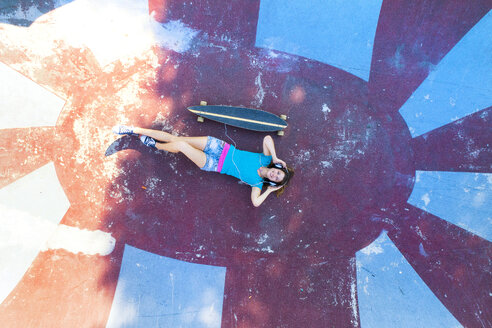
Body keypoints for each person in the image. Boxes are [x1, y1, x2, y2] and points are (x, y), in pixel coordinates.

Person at [112, 125, 294, 207]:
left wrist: (270, 190)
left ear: (273, 182)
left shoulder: (257, 184)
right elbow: (268, 138)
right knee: (178, 139)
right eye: (278, 174)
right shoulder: (266, 159)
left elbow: (255, 202)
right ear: (278, 168)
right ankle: (134, 130)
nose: (274, 176)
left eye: (276, 179)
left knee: (182, 146)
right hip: (220, 147)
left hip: (214, 164)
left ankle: (156, 145)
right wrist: (277, 157)